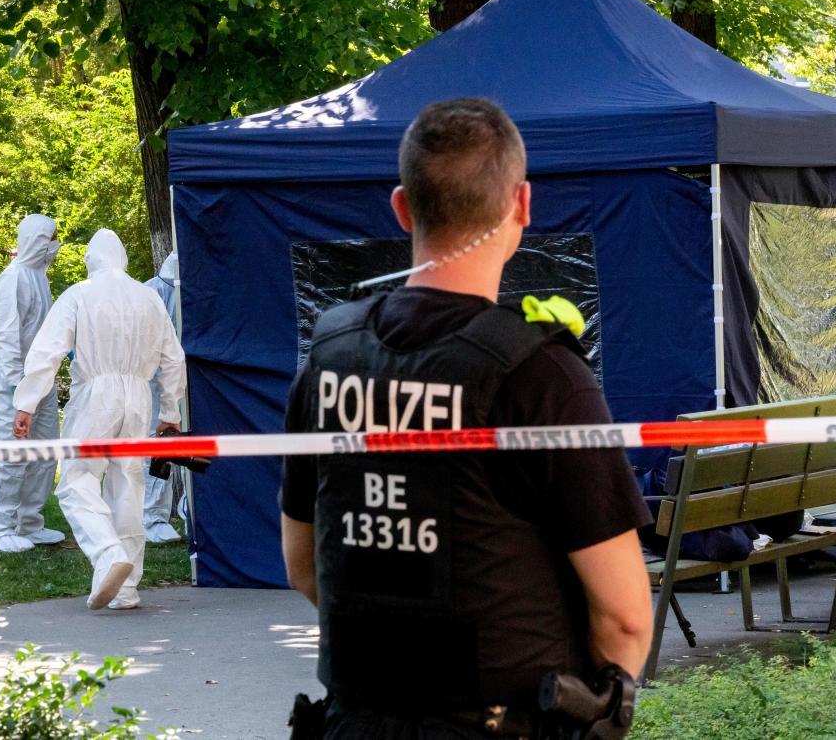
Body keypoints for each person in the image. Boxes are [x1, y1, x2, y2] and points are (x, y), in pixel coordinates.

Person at [279, 98, 654, 739]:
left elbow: (304, 564)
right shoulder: (542, 377)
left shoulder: (330, 357)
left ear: (402, 207)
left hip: (355, 721)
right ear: (523, 205)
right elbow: (624, 618)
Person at [12, 229, 185, 610]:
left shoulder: (80, 294)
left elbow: (48, 350)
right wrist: (170, 413)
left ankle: (108, 554)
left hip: (96, 396)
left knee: (77, 481)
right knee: (128, 483)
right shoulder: (150, 297)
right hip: (139, 397)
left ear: (92, 259)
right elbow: (174, 358)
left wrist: (25, 402)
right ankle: (125, 589)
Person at [0, 214, 65, 553]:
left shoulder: (39, 278)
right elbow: (6, 339)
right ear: (34, 239)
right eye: (50, 238)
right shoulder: (13, 278)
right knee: (12, 453)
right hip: (13, 384)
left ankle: (29, 522)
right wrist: (20, 392)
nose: (55, 245)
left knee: (45, 453)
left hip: (42, 381)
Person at [142, 251, 184, 543]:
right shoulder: (151, 293)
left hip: (181, 380)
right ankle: (152, 516)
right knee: (158, 443)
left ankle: (184, 505)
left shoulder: (189, 292)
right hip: (153, 383)